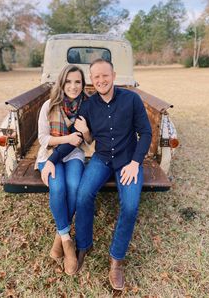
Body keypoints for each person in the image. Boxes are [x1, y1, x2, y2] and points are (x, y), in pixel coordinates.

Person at [41, 59, 152, 290]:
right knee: (83, 195)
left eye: (105, 75)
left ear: (114, 75)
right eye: (96, 77)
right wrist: (51, 160)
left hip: (127, 161)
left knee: (130, 206)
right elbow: (77, 138)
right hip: (101, 159)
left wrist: (135, 163)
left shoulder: (131, 99)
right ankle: (83, 245)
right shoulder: (89, 106)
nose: (101, 80)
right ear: (92, 80)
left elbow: (146, 133)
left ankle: (116, 261)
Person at [36, 64, 91, 276]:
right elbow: (43, 139)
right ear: (62, 83)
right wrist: (67, 138)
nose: (73, 86)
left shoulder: (87, 106)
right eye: (68, 81)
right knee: (57, 188)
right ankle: (67, 241)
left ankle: (59, 236)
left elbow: (89, 140)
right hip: (49, 155)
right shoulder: (49, 106)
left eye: (78, 82)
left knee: (75, 186)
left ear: (83, 84)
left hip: (75, 155)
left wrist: (85, 133)